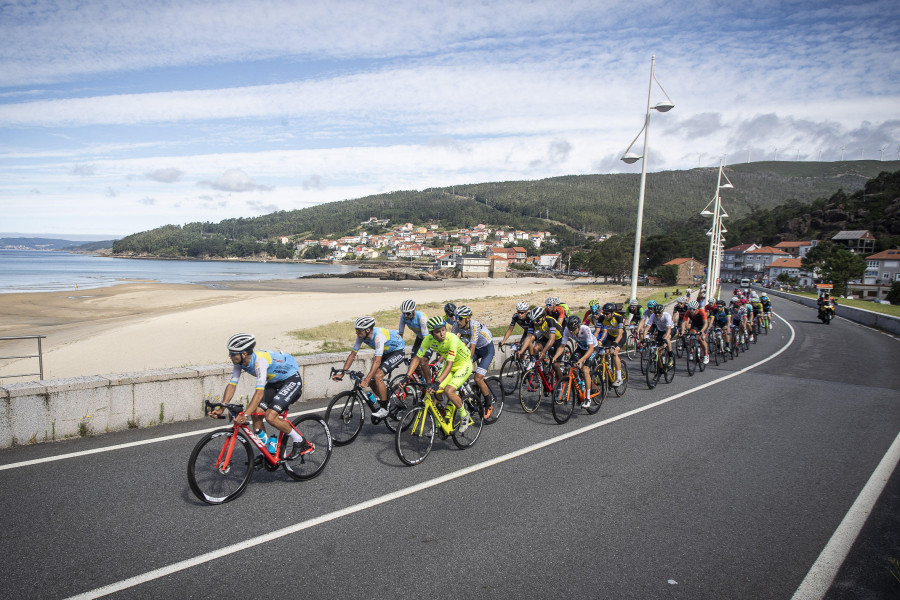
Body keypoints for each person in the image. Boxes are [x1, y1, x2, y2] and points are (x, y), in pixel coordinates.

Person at [211, 333, 312, 459]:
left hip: (291, 380)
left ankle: (300, 441)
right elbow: (232, 385)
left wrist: (244, 415)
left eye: (232, 353)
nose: (229, 356)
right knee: (256, 414)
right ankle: (266, 451)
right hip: (274, 382)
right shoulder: (239, 362)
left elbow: (259, 392)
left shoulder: (260, 362)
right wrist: (222, 408)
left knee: (270, 416)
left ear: (243, 354)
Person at [404, 316, 473, 432]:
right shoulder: (428, 340)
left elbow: (449, 364)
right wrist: (407, 376)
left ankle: (464, 414)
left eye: (443, 329)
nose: (442, 334)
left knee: (449, 390)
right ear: (431, 333)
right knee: (433, 392)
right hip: (450, 367)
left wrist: (437, 381)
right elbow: (417, 358)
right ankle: (437, 425)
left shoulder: (452, 339)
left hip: (463, 365)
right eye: (438, 332)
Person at [332, 316, 406, 419]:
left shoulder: (378, 337)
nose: (356, 333)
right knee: (372, 381)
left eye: (358, 330)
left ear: (367, 330)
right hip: (386, 352)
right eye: (356, 330)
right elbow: (352, 355)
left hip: (397, 351)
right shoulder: (361, 336)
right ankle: (386, 400)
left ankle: (384, 408)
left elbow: (377, 361)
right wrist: (342, 373)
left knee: (378, 376)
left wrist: (366, 380)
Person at [452, 305, 497, 418]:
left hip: (486, 349)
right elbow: (451, 342)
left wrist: (467, 364)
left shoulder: (474, 325)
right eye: (456, 317)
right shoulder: (456, 325)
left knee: (478, 378)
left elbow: (472, 347)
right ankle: (471, 393)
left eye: (460, 318)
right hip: (476, 349)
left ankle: (488, 402)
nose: (457, 320)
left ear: (468, 318)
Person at [552, 315, 597, 408]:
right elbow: (562, 347)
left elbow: (591, 349)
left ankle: (588, 398)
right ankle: (580, 382)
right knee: (570, 366)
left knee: (585, 369)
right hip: (581, 348)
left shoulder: (585, 329)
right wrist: (555, 357)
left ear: (578, 327)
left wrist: (581, 360)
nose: (571, 332)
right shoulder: (567, 330)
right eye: (570, 329)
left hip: (592, 348)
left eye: (573, 330)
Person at [398, 299, 431, 383]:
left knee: (422, 361)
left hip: (429, 339)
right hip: (420, 337)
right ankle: (421, 380)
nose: (405, 316)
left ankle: (429, 383)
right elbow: (400, 334)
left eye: (408, 313)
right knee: (412, 362)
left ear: (413, 311)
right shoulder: (403, 317)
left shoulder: (422, 318)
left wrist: (420, 355)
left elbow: (426, 339)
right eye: (404, 313)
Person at [597, 302, 625, 385]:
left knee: (614, 352)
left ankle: (619, 378)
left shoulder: (618, 318)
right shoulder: (601, 318)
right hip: (611, 336)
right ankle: (609, 368)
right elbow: (597, 331)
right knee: (603, 352)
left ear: (613, 313)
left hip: (620, 336)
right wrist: (594, 341)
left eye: (607, 314)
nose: (605, 315)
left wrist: (615, 344)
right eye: (604, 313)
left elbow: (620, 334)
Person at [645, 303, 675, 368]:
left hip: (670, 329)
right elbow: (647, 328)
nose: (657, 314)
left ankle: (670, 357)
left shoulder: (667, 316)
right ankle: (659, 367)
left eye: (659, 313)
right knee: (658, 348)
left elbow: (669, 329)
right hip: (660, 330)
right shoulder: (653, 316)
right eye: (656, 313)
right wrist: (644, 338)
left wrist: (665, 338)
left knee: (667, 339)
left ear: (662, 312)